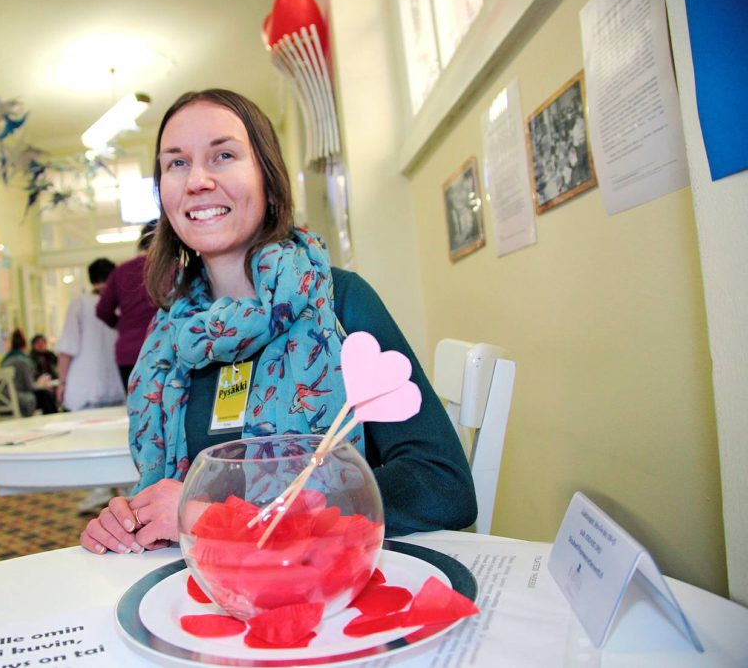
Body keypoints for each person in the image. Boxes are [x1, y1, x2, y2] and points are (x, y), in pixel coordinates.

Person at [80, 89, 476, 556]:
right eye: (177, 163)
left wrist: (224, 516)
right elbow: (169, 498)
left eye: (223, 155)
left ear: (268, 179)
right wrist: (128, 519)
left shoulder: (340, 300)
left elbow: (441, 484)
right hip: (201, 580)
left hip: (323, 584)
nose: (198, 180)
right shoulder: (168, 338)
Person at [55, 258, 126, 413]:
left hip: (84, 389)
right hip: (117, 386)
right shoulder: (122, 304)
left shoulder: (80, 303)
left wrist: (62, 383)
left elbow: (67, 348)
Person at [95, 220, 158, 389]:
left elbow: (102, 310)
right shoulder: (171, 269)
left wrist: (120, 325)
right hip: (161, 348)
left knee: (135, 402)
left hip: (128, 351)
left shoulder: (122, 271)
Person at [0, 328, 38, 417]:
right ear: (25, 345)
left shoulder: (4, 361)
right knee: (44, 396)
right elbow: (30, 386)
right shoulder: (23, 362)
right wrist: (41, 384)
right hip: (18, 401)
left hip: (1, 401)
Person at [29, 334, 60, 415]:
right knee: (46, 395)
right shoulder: (30, 358)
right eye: (38, 343)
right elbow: (33, 375)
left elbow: (58, 366)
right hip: (39, 385)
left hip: (53, 382)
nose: (41, 345)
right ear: (33, 345)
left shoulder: (50, 355)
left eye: (43, 342)